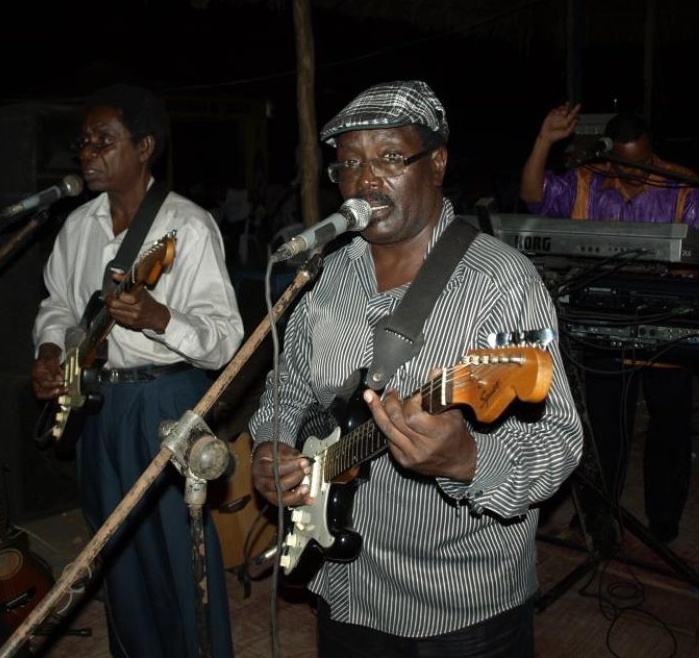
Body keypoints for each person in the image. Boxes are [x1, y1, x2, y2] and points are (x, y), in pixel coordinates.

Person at [249, 80, 583, 656]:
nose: (365, 179)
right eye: (349, 163)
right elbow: (290, 381)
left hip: (457, 607)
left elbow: (559, 442)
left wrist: (469, 459)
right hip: (340, 581)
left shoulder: (499, 282)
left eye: (390, 158)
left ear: (438, 164)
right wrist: (271, 445)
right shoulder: (327, 275)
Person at [30, 84, 244, 658]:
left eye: (105, 141)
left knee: (179, 557)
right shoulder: (77, 227)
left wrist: (159, 316)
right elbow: (56, 305)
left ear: (144, 146)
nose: (89, 153)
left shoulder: (186, 227)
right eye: (84, 143)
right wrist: (50, 353)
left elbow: (225, 340)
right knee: (116, 555)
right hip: (98, 407)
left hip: (165, 403)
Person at [519, 103, 699, 544]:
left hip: (665, 323)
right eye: (628, 163)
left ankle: (663, 520)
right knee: (606, 427)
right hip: (603, 321)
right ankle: (599, 518)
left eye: (645, 162)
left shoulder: (683, 188)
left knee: (669, 425)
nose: (637, 171)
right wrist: (544, 141)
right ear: (610, 156)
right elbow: (534, 196)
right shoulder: (588, 181)